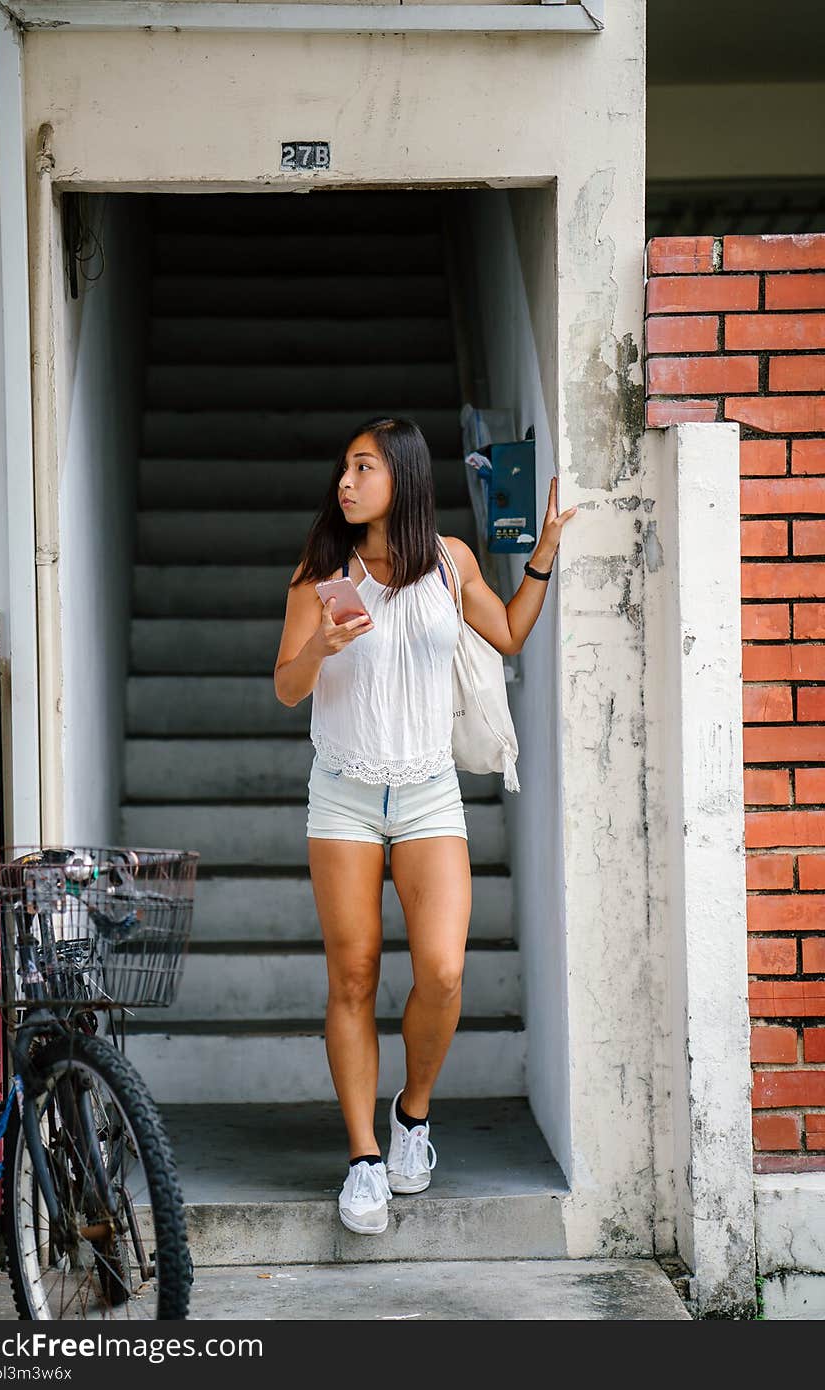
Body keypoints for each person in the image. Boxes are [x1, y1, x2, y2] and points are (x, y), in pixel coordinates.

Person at [273, 417, 575, 1235]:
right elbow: (287, 688)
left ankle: (414, 1115)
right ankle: (365, 1159)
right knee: (354, 975)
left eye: (362, 467)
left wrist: (542, 551)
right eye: (343, 468)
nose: (345, 481)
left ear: (401, 478)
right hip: (342, 794)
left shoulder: (450, 560)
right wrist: (323, 647)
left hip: (427, 793)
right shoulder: (323, 572)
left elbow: (508, 629)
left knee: (442, 971)